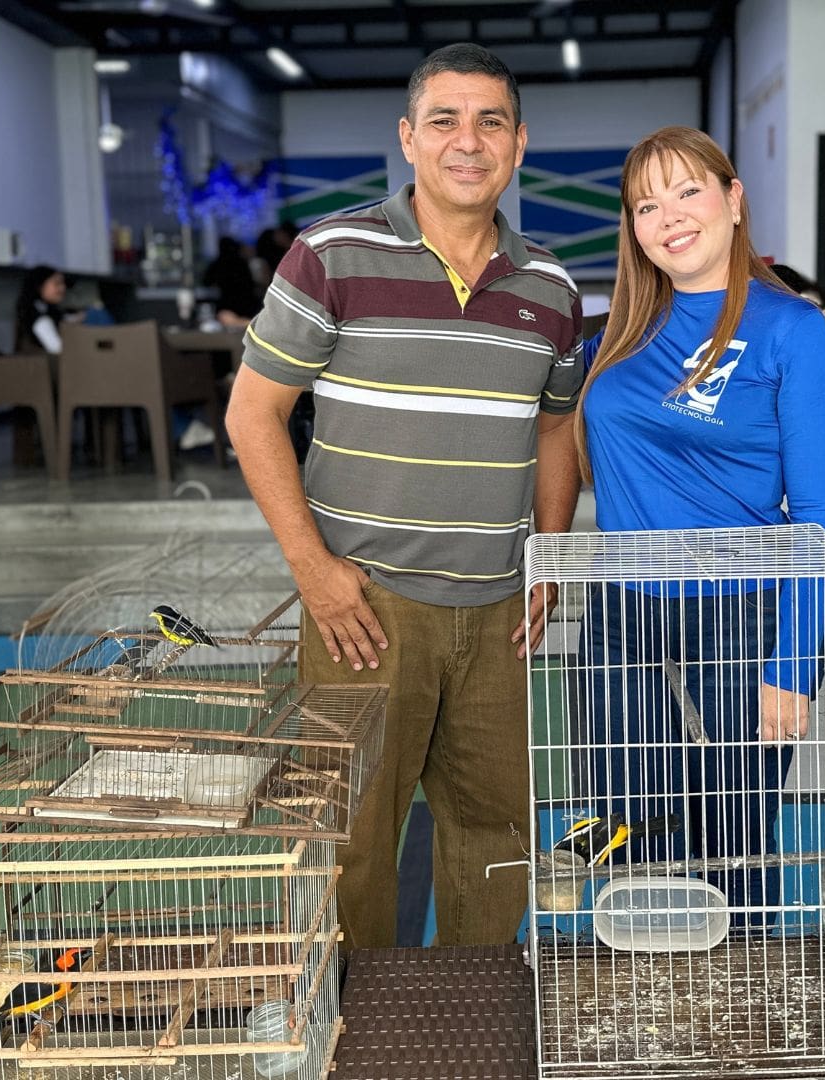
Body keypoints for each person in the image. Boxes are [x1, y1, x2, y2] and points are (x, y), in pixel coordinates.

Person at [226, 43, 586, 950]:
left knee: (496, 840)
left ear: (518, 142)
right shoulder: (332, 254)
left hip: (502, 612)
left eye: (490, 121)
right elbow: (253, 416)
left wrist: (546, 555)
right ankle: (360, 1029)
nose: (468, 141)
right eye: (444, 120)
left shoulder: (551, 285)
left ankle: (468, 1021)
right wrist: (313, 571)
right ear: (409, 138)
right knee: (348, 844)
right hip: (365, 608)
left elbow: (555, 431)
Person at [570, 126, 825, 920]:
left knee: (729, 839)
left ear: (733, 199)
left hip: (741, 616)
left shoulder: (792, 330)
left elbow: (823, 511)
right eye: (646, 205)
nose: (669, 217)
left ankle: (744, 1014)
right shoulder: (618, 333)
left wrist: (794, 658)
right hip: (622, 616)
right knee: (633, 832)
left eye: (688, 191)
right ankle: (652, 1008)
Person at [205, 236, 262, 327]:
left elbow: (206, 282)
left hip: (226, 303)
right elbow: (250, 284)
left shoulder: (217, 264)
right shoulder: (242, 263)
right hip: (246, 304)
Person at [13, 265, 68, 355]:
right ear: (40, 285)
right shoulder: (39, 318)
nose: (63, 288)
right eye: (57, 283)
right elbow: (58, 350)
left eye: (63, 283)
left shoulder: (46, 310)